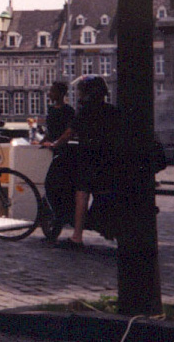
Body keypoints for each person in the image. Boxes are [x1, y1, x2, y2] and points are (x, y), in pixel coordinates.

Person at [50, 75, 120, 249]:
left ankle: (77, 236)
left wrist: (55, 144)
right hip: (109, 158)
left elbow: (69, 133)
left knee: (82, 193)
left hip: (88, 157)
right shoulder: (112, 110)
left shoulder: (85, 111)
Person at [40, 79, 78, 242]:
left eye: (53, 91)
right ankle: (58, 217)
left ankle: (60, 216)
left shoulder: (68, 110)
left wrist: (56, 143)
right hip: (55, 148)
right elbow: (50, 130)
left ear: (61, 94)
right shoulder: (51, 110)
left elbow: (69, 131)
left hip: (64, 150)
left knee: (54, 184)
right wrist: (44, 140)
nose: (50, 94)